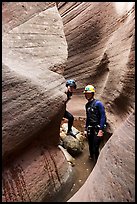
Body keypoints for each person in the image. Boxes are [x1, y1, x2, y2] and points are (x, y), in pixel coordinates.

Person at [83, 84, 107, 162]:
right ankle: (91, 158)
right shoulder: (87, 105)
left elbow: (103, 116)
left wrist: (101, 130)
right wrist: (85, 129)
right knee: (90, 145)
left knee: (96, 146)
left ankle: (96, 162)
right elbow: (88, 118)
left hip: (97, 128)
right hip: (90, 128)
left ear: (92, 94)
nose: (87, 95)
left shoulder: (98, 104)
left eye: (88, 93)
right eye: (86, 94)